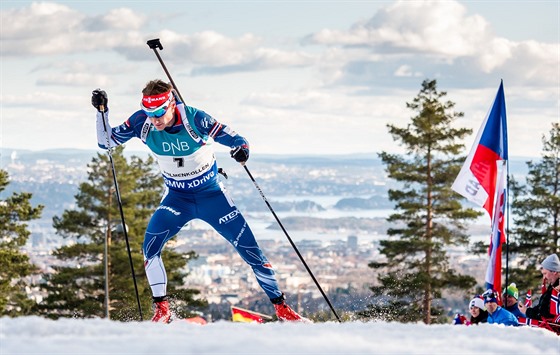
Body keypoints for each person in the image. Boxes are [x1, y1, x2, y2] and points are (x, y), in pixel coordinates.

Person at [91, 80, 304, 323]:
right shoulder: (142, 122)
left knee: (250, 250)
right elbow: (105, 142)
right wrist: (101, 112)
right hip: (177, 198)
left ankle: (282, 309)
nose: (155, 119)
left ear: (171, 104)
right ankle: (162, 311)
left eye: (159, 112)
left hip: (211, 196)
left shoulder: (195, 119)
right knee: (150, 248)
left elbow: (234, 137)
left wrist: (241, 149)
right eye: (150, 113)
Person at [518, 253, 560, 321]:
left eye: (545, 273)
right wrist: (527, 310)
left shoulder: (557, 289)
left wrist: (527, 311)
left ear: (554, 271)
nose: (544, 278)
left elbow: (546, 314)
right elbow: (542, 308)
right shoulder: (552, 286)